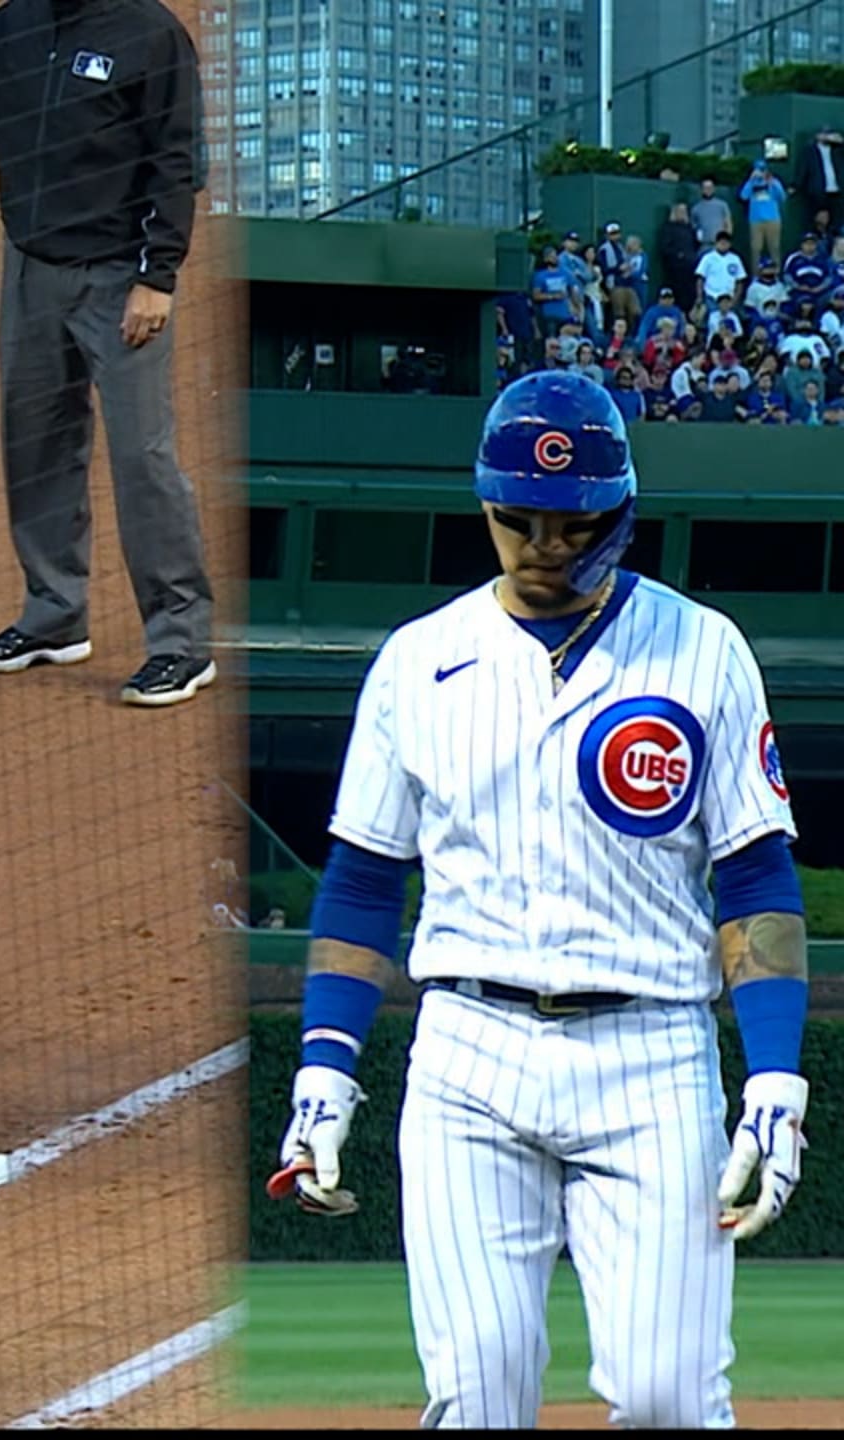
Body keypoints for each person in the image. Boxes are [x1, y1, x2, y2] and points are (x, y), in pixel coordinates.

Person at [269, 370, 810, 1427]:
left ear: (618, 508)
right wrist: (324, 1067)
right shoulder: (417, 661)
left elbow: (754, 879)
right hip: (468, 1054)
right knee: (476, 1398)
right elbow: (363, 882)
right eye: (514, 520)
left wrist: (778, 1078)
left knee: (665, 1401)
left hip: (648, 1056)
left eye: (569, 523)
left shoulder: (703, 650)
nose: (541, 544)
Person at [0, 0, 218, 706]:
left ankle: (181, 643)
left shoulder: (150, 33)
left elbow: (177, 158)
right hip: (31, 268)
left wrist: (156, 276)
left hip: (120, 276)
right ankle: (54, 616)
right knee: (37, 442)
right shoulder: (12, 25)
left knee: (142, 457)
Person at [741, 161, 789, 271]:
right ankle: (756, 276)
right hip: (755, 220)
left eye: (762, 170)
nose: (760, 173)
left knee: (774, 248)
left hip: (773, 219)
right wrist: (751, 180)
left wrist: (771, 181)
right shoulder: (751, 183)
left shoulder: (774, 182)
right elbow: (743, 196)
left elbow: (782, 197)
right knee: (756, 249)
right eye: (758, 170)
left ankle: (776, 275)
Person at [657, 203, 700, 312]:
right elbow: (664, 248)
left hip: (690, 269)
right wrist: (678, 255)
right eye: (679, 211)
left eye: (684, 211)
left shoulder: (689, 228)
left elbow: (695, 245)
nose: (682, 214)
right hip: (675, 270)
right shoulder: (668, 228)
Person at [697, 231, 747, 308]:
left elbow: (740, 281)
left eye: (726, 243)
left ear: (730, 244)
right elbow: (700, 279)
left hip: (730, 298)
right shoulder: (708, 258)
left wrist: (735, 301)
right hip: (711, 297)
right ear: (716, 243)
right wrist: (699, 297)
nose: (723, 245)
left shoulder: (735, 259)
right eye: (721, 243)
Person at [691, 175, 734, 253]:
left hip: (720, 245)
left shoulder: (722, 205)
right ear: (701, 189)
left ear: (714, 189)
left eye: (710, 187)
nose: (708, 190)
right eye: (705, 188)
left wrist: (725, 241)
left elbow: (728, 224)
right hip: (704, 246)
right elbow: (694, 228)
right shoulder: (696, 208)